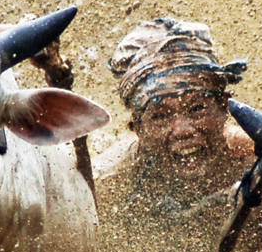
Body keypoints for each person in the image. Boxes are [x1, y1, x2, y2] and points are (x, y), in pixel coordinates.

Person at [105, 18, 251, 208]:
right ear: (138, 128)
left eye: (197, 109)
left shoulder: (257, 160)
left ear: (224, 107)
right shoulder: (110, 185)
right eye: (160, 116)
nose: (183, 131)